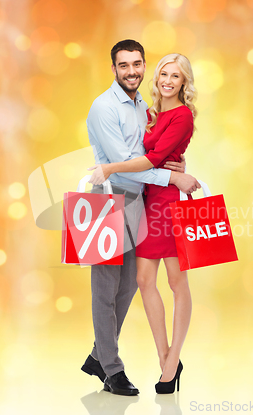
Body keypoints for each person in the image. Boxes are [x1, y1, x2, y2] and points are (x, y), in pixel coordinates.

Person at [82, 40, 200, 396]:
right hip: (109, 201)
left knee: (130, 285)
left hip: (141, 202)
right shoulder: (104, 107)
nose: (131, 71)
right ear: (113, 68)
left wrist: (176, 167)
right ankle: (110, 368)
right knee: (105, 288)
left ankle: (98, 356)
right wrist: (172, 176)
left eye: (137, 64)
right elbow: (134, 165)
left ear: (143, 66)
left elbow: (156, 154)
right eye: (124, 65)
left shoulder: (141, 108)